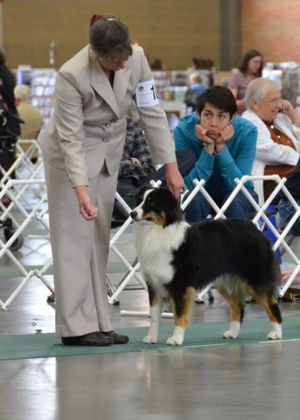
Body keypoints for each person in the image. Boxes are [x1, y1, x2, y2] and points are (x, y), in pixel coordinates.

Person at [39, 14, 184, 347]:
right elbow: (71, 139)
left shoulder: (138, 58)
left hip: (110, 150)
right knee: (74, 239)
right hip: (68, 157)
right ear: (94, 51)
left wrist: (171, 164)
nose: (121, 65)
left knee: (99, 236)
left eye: (124, 57)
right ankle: (75, 328)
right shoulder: (70, 75)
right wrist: (80, 190)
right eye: (112, 60)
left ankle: (100, 322)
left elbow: (152, 112)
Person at [173, 85, 258, 223]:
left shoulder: (247, 132)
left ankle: (236, 244)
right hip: (199, 195)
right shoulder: (183, 131)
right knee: (193, 199)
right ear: (198, 114)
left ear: (232, 117)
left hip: (236, 194)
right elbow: (186, 187)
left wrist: (220, 146)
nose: (213, 123)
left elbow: (240, 186)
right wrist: (208, 147)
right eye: (207, 115)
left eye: (221, 116)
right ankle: (194, 244)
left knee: (236, 200)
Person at [114, 117, 196, 217]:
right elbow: (105, 168)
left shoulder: (131, 126)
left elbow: (148, 167)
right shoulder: (95, 128)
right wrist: (132, 162)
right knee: (121, 193)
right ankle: (154, 199)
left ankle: (146, 199)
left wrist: (125, 164)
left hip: (143, 182)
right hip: (115, 185)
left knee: (187, 155)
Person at [242, 78, 300, 205]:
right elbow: (274, 152)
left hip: (291, 180)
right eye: (274, 101)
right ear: (255, 103)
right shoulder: (247, 125)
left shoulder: (280, 119)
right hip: (269, 182)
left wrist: (294, 117)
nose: (279, 105)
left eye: (280, 99)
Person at [14, 84, 43, 162]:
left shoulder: (14, 114)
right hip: (32, 155)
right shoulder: (38, 114)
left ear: (17, 99)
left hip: (15, 155)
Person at [228, 49, 263, 115]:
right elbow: (230, 102)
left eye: (260, 63)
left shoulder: (259, 78)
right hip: (242, 114)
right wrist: (242, 103)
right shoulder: (237, 77)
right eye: (255, 62)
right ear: (247, 62)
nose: (258, 65)